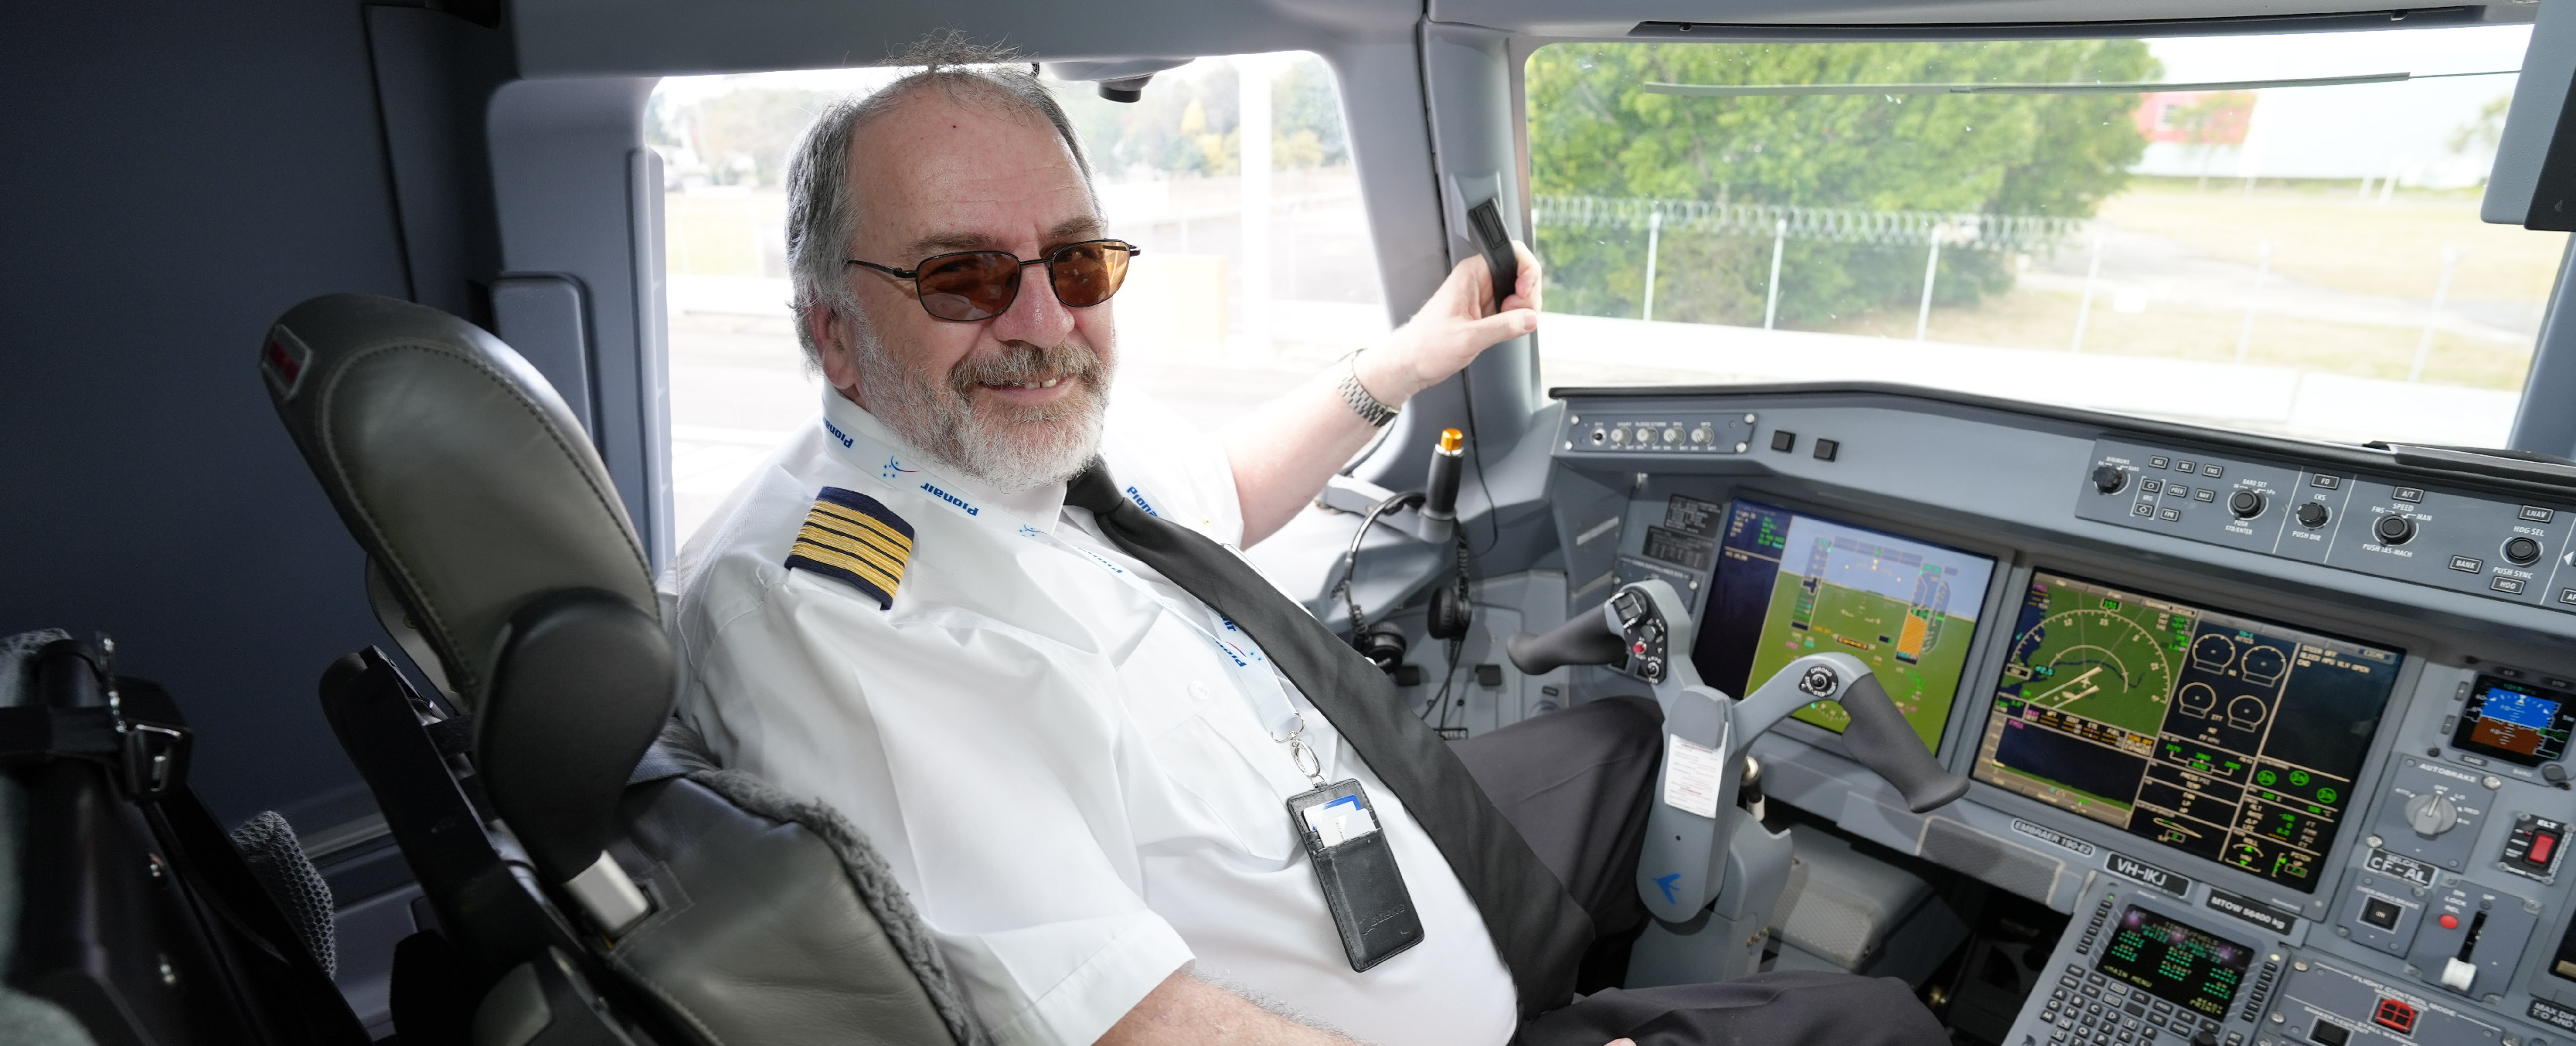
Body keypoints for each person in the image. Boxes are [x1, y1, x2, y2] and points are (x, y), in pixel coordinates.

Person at [666, 36, 1945, 1046]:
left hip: (1358, 851)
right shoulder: (834, 613)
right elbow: (1118, 1019)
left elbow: (1214, 483)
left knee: (1629, 735)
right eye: (961, 277)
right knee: (1869, 1020)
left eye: (1076, 261)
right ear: (831, 329)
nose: (1041, 317)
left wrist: (1408, 360)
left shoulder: (996, 447)